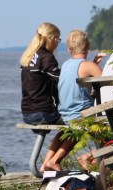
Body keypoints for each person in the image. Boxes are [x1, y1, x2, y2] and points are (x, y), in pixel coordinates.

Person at [44, 29, 105, 171]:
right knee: (109, 131)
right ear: (87, 46)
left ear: (69, 49)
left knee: (69, 131)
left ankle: (47, 162)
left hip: (65, 113)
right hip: (80, 116)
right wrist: (95, 64)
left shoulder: (65, 65)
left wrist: (93, 63)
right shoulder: (88, 66)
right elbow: (107, 83)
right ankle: (57, 160)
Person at [20, 22, 65, 168]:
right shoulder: (46, 58)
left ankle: (46, 163)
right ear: (51, 38)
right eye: (58, 39)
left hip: (27, 112)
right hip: (42, 113)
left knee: (70, 126)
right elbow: (62, 81)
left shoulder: (28, 56)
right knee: (76, 125)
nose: (57, 43)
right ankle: (51, 162)